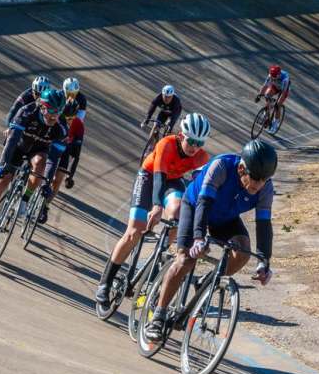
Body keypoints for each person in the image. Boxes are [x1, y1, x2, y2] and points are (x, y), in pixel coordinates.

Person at [143, 140, 278, 342]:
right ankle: (159, 316)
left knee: (242, 251)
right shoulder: (221, 167)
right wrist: (198, 238)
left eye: (264, 180)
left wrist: (264, 261)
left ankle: (205, 282)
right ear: (242, 169)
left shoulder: (265, 188)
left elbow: (264, 224)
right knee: (186, 260)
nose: (259, 186)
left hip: (224, 218)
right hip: (196, 205)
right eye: (256, 179)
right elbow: (204, 203)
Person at [95, 113, 212, 306]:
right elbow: (158, 178)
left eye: (199, 143)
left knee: (178, 213)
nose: (194, 147)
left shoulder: (202, 157)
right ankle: (105, 282)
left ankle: (163, 247)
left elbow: (200, 191)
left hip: (173, 181)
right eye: (191, 141)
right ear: (182, 136)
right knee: (134, 232)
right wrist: (157, 206)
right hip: (150, 176)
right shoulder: (166, 144)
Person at [0, 88, 68, 241]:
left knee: (41, 164)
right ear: (42, 106)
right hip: (18, 146)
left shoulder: (61, 127)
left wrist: (47, 183)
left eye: (59, 111)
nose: (55, 115)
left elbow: (54, 159)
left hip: (38, 151)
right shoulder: (27, 112)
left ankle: (24, 200)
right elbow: (12, 140)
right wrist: (2, 165)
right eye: (52, 110)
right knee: (1, 183)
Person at [38, 77, 87, 224]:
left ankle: (45, 206)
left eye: (73, 117)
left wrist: (70, 176)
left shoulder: (78, 123)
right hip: (53, 140)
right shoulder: (56, 114)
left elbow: (76, 154)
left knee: (57, 180)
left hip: (66, 146)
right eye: (67, 117)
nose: (70, 120)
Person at [255, 66, 290, 134]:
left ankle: (275, 123)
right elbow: (265, 86)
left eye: (274, 76)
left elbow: (283, 93)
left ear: (279, 74)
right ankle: (266, 113)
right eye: (272, 76)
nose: (272, 78)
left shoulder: (285, 78)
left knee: (278, 105)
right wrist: (259, 95)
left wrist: (278, 102)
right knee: (267, 95)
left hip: (283, 90)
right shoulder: (270, 75)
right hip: (275, 86)